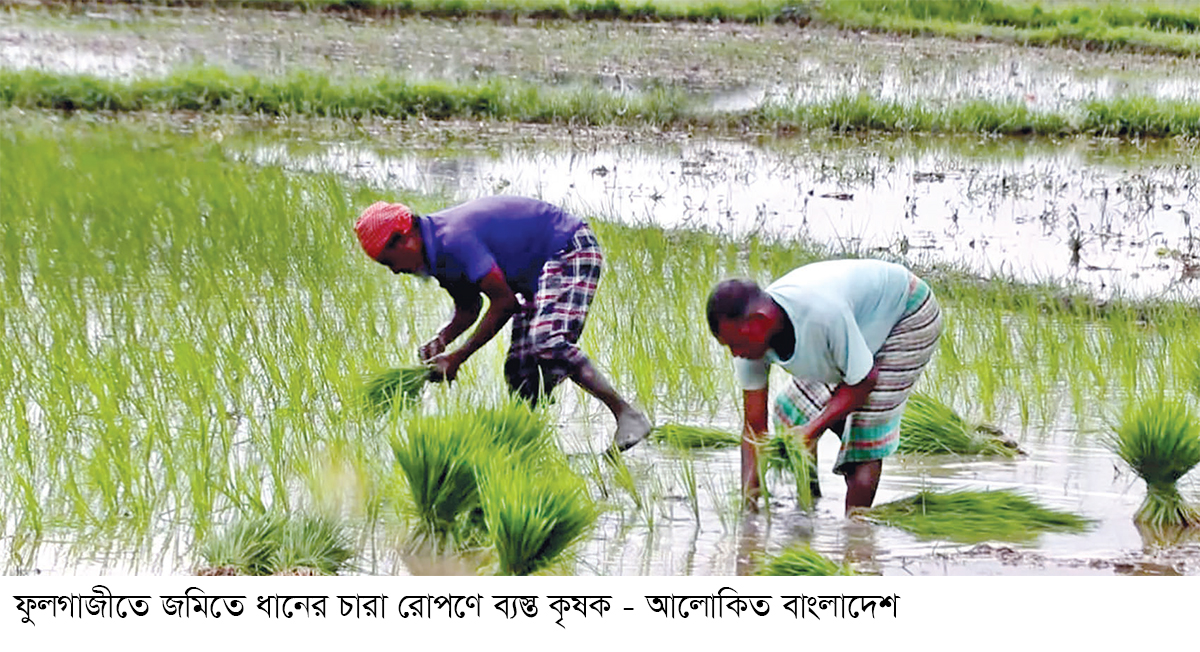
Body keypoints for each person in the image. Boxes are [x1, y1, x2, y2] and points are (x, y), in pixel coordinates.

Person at [354, 195, 651, 452]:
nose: (394, 272)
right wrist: (442, 339)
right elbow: (470, 307)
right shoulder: (435, 255)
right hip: (537, 275)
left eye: (389, 262)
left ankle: (627, 415)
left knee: (547, 341)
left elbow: (504, 303)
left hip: (568, 249)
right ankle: (527, 446)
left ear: (405, 238)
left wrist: (458, 357)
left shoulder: (451, 239)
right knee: (521, 370)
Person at [706, 258, 942, 513]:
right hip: (855, 323)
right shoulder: (747, 341)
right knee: (790, 412)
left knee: (862, 436)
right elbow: (754, 427)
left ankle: (856, 532)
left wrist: (813, 429)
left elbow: (864, 382)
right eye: (727, 345)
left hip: (907, 312)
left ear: (760, 321)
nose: (734, 353)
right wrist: (748, 505)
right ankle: (808, 505)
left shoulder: (821, 315)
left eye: (736, 344)